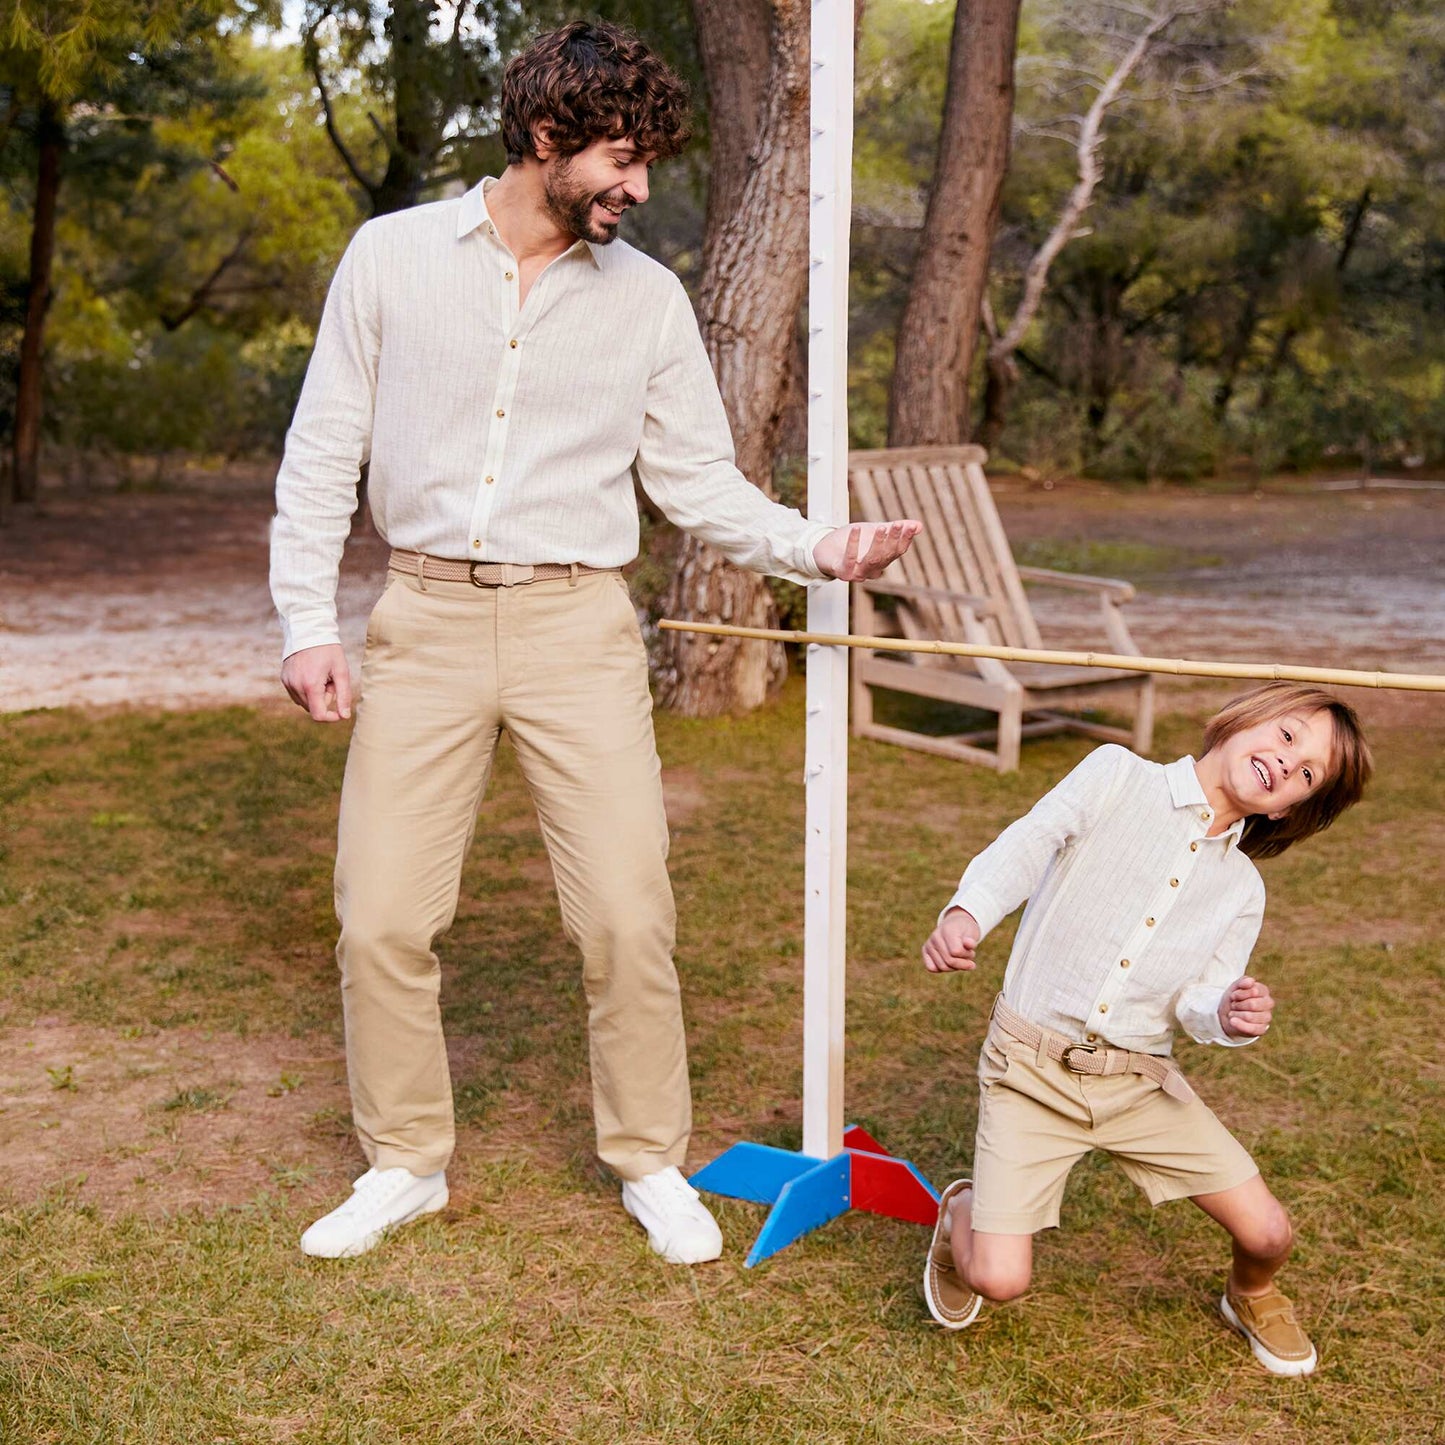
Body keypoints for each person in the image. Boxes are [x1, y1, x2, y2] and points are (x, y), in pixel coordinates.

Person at [269, 20, 920, 1265]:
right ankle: (404, 1161)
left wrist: (819, 547)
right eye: (622, 158)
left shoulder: (650, 300)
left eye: (649, 165)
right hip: (426, 617)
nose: (637, 187)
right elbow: (319, 458)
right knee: (379, 916)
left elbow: (698, 483)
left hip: (579, 624)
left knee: (626, 911)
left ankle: (648, 1156)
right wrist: (308, 622)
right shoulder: (391, 258)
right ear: (547, 135)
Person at [918, 683, 1372, 1375]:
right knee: (999, 1279)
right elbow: (1027, 842)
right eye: (1286, 736)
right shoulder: (1113, 773)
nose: (1286, 763)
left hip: (1138, 1083)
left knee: (1270, 1231)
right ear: (1243, 717)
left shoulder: (1242, 888)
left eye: (1307, 773)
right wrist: (967, 912)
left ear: (1290, 808)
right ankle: (962, 1213)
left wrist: (1223, 1012)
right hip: (1028, 1068)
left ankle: (1247, 1294)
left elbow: (1196, 999)